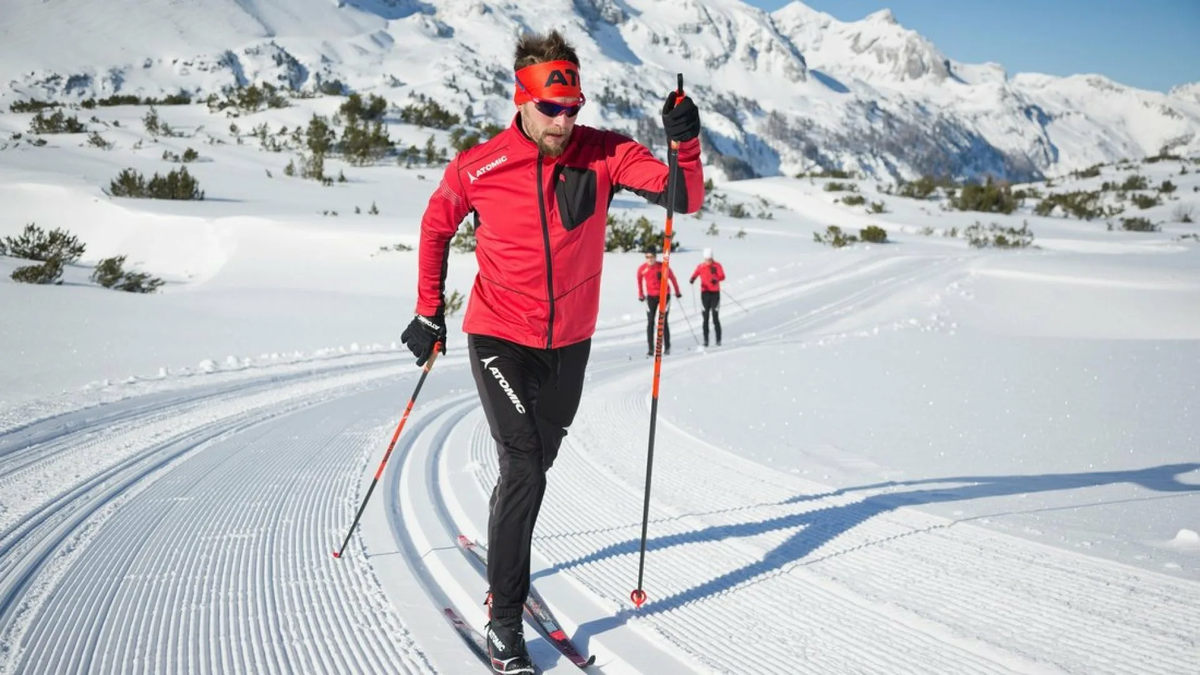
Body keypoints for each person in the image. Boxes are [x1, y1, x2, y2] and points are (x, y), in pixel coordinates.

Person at [399, 29, 704, 674]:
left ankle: (505, 550)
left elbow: (684, 196)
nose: (564, 122)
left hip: (571, 344)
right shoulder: (478, 166)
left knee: (531, 471)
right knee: (525, 462)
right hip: (498, 336)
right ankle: (505, 621)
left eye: (573, 109)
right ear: (523, 98)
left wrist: (687, 143)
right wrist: (430, 309)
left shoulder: (606, 153)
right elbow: (434, 226)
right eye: (551, 109)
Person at [637, 247, 682, 356]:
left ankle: (667, 347)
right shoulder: (642, 269)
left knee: (662, 321)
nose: (650, 259)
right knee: (650, 322)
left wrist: (677, 291)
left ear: (655, 257)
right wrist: (641, 294)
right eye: (647, 257)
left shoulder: (662, 266)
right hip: (651, 297)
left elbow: (672, 278)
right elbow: (639, 281)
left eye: (651, 257)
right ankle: (651, 349)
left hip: (664, 296)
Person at [689, 247, 725, 347]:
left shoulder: (717, 266)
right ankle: (706, 340)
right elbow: (695, 273)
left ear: (712, 258)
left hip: (715, 294)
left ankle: (718, 340)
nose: (707, 262)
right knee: (705, 318)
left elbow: (722, 276)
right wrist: (692, 279)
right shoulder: (701, 266)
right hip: (705, 294)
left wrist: (715, 278)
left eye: (709, 259)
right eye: (706, 259)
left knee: (715, 317)